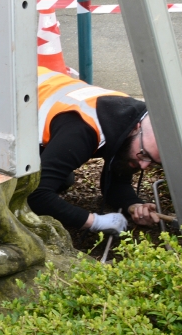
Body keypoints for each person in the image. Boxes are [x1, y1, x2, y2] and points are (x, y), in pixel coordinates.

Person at [28, 67, 163, 235]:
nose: (143, 165)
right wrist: (94, 221)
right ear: (136, 128)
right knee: (52, 181)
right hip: (0, 96)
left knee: (60, 176)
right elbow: (36, 194)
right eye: (145, 155)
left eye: (153, 162)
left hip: (37, 90)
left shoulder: (128, 120)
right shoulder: (82, 129)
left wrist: (133, 205)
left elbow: (116, 182)